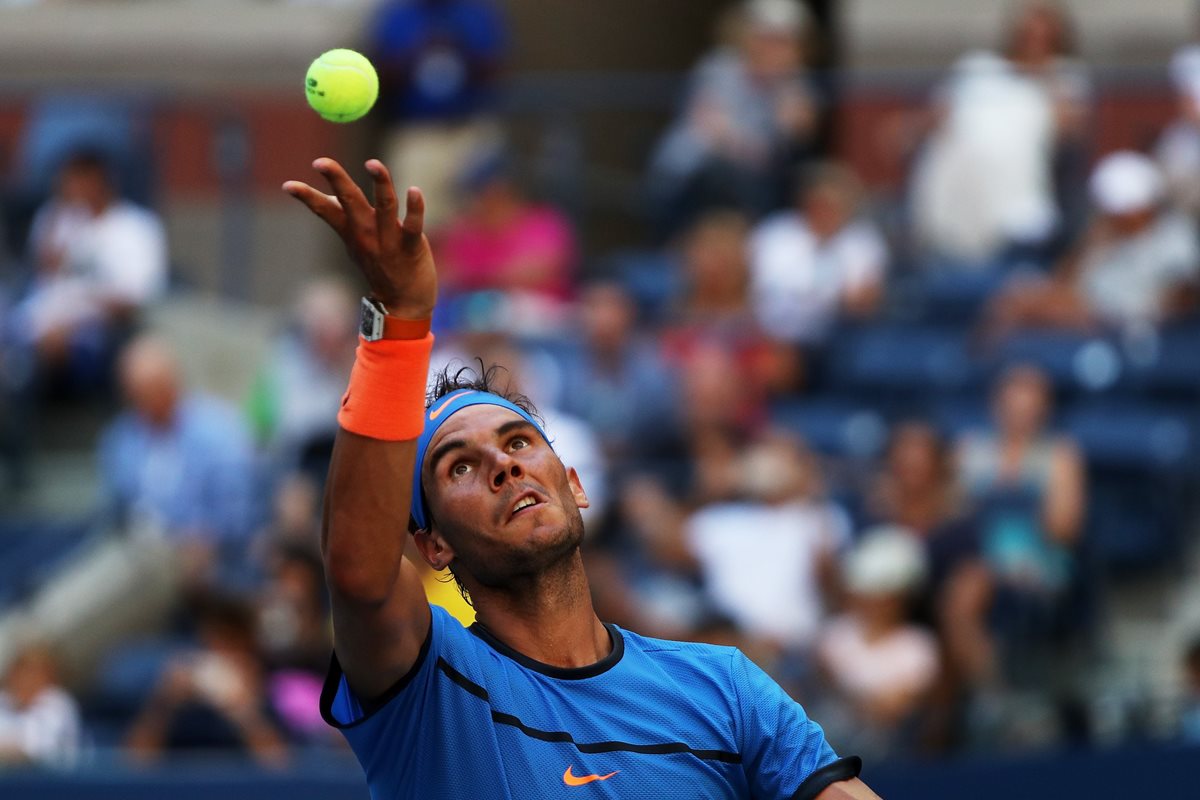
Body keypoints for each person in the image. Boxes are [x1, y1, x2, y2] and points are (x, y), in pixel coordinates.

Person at [281, 156, 878, 798]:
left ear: (575, 484)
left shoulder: (725, 688)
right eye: (460, 466)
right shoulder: (426, 684)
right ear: (433, 545)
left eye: (518, 442)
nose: (503, 464)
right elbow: (358, 572)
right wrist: (398, 322)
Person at [98, 335, 258, 587]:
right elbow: (114, 512)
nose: (146, 403)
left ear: (173, 384)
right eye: (137, 395)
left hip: (211, 564)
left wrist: (208, 539)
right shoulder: (121, 439)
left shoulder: (219, 431)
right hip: (140, 562)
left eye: (154, 391)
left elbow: (237, 514)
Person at [987, 151, 1200, 335]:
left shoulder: (1176, 240)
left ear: (1140, 208)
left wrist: (1083, 312)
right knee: (1016, 298)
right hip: (1088, 318)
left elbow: (1169, 307)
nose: (1110, 218)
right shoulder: (1105, 236)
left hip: (1119, 331)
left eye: (1117, 212)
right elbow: (1066, 280)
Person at [0, 643, 82, 769]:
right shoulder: (3, 699)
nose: (27, 678)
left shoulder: (59, 703)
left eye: (34, 672)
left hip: (51, 777)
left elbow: (41, 750)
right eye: (22, 671)